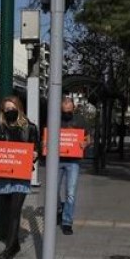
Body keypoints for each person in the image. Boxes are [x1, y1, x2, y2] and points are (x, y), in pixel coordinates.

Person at [0, 96, 41, 259]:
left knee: (14, 211)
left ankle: (8, 250)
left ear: (18, 108)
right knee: (5, 212)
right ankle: (15, 244)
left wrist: (34, 154)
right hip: (3, 175)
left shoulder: (30, 128)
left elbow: (37, 148)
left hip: (20, 176)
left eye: (12, 108)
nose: (9, 111)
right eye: (6, 109)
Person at [57, 96, 90, 235]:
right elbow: (46, 137)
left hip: (73, 161)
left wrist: (85, 143)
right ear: (60, 108)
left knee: (70, 193)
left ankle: (67, 222)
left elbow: (88, 138)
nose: (67, 113)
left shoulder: (80, 120)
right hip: (56, 160)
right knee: (53, 191)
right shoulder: (54, 118)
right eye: (65, 110)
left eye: (69, 110)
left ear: (73, 108)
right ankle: (59, 210)